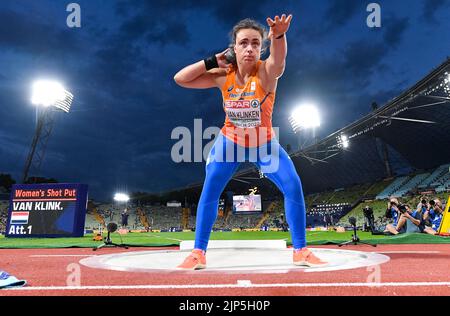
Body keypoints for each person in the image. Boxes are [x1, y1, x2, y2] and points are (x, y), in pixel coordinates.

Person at [174, 14, 327, 269]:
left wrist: (278, 35)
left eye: (256, 43)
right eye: (243, 43)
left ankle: (300, 250)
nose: (249, 48)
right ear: (234, 47)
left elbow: (279, 60)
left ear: (261, 47)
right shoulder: (224, 75)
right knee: (211, 186)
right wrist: (212, 60)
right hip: (229, 141)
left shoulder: (267, 72)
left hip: (262, 141)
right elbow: (181, 79)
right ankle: (198, 252)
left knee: (292, 184)